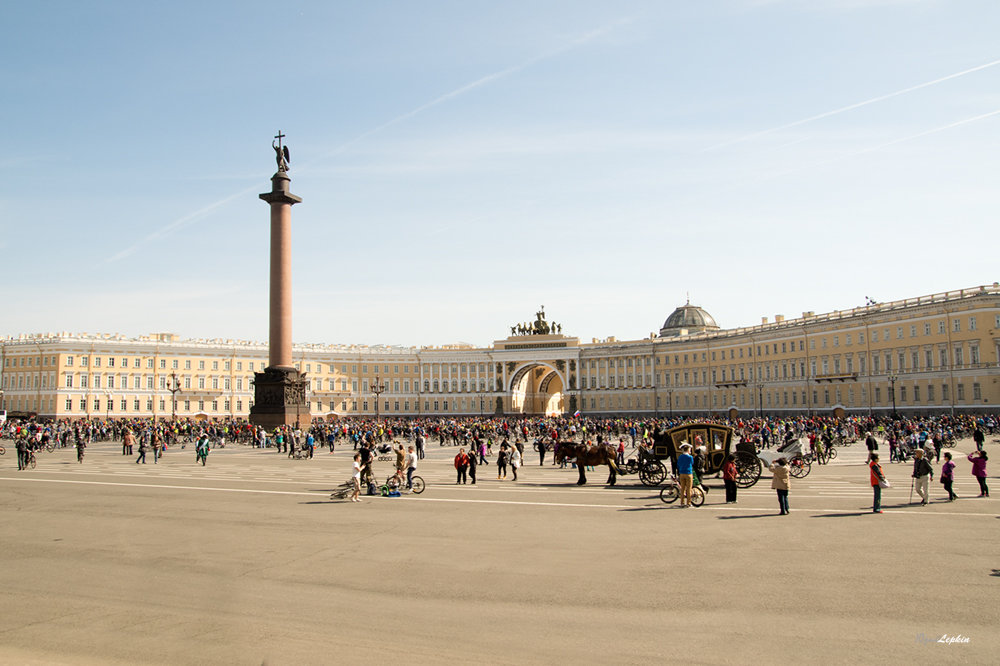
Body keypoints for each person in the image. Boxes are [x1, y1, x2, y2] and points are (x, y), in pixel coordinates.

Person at [676, 443, 694, 508]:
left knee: (682, 488)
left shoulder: (680, 457)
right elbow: (692, 463)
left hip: (682, 473)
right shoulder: (690, 457)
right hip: (688, 473)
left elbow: (678, 464)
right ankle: (688, 502)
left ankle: (682, 502)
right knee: (689, 489)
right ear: (688, 450)